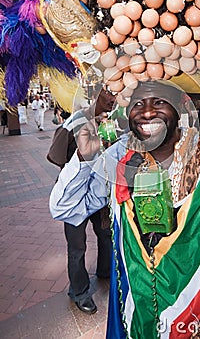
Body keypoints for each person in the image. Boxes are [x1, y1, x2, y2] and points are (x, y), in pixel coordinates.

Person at [49, 80, 200, 337]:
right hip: (135, 309)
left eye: (159, 102)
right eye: (138, 103)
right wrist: (83, 160)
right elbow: (65, 209)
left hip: (196, 304)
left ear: (180, 105)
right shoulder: (118, 155)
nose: (147, 112)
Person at [47, 85, 117, 314]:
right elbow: (55, 155)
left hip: (101, 193)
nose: (113, 97)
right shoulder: (75, 121)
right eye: (108, 91)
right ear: (95, 92)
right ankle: (79, 292)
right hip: (76, 195)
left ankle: (106, 272)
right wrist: (79, 165)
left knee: (106, 234)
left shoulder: (115, 120)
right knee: (77, 247)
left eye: (117, 92)